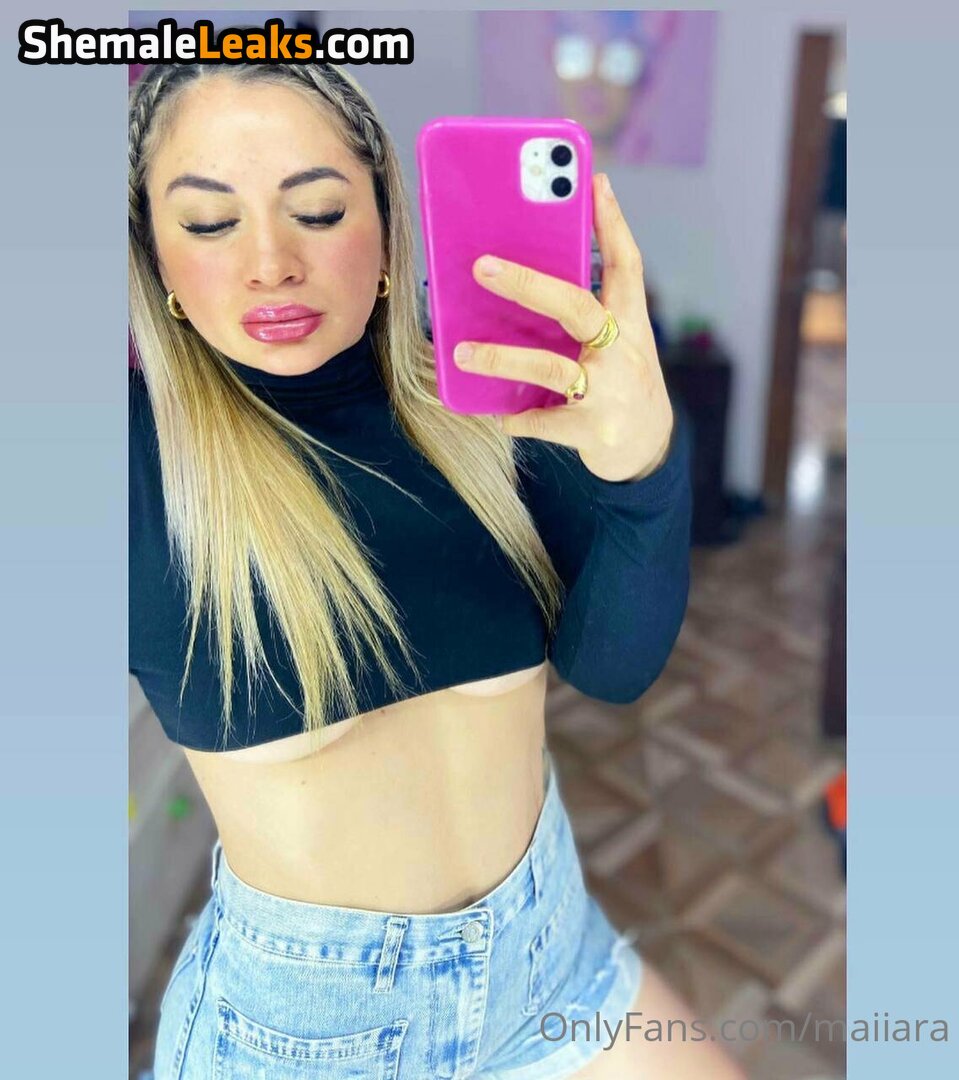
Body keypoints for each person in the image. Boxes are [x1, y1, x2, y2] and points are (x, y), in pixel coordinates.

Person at [129, 60, 745, 1079]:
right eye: (208, 222)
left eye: (318, 211)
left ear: (385, 227)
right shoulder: (129, 470)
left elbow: (612, 669)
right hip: (306, 1033)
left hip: (548, 954)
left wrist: (642, 465)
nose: (271, 262)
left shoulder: (496, 403)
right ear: (154, 257)